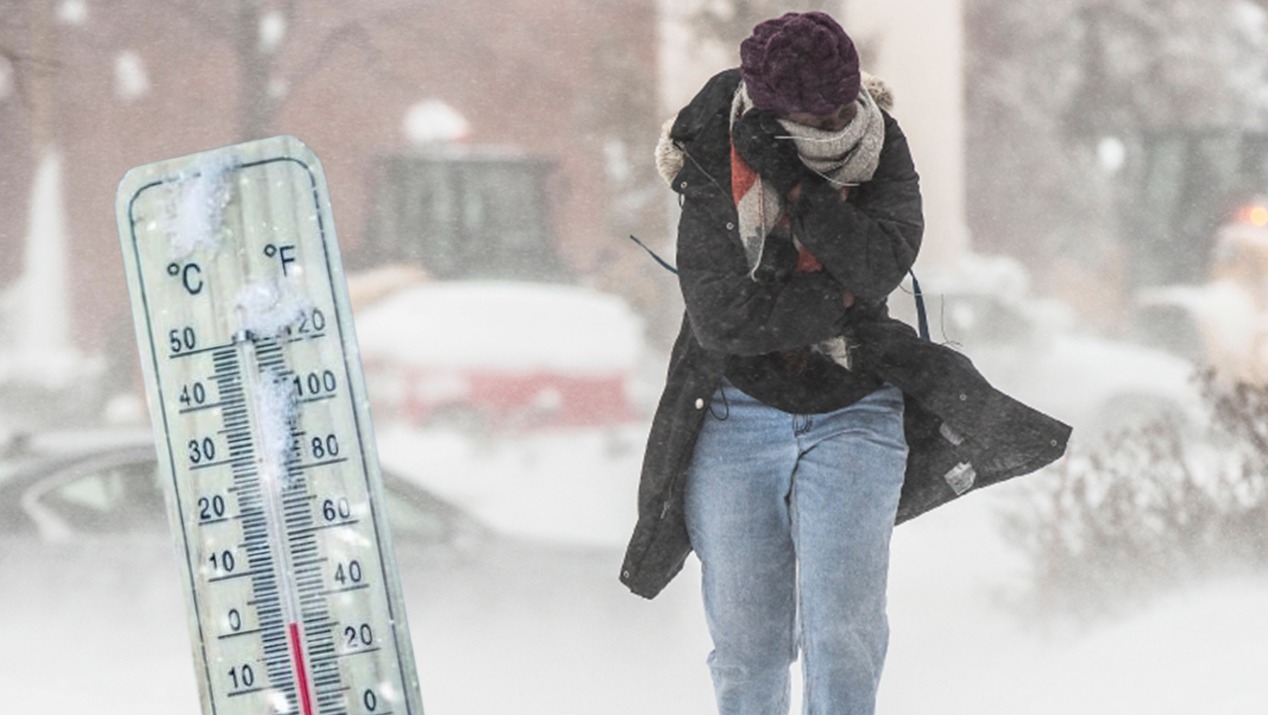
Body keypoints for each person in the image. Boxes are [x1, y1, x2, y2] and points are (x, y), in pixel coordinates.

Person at [620, 11, 1071, 715]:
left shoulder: (881, 145)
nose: (833, 125)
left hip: (856, 413)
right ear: (769, 110)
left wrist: (800, 193)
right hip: (734, 415)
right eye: (813, 113)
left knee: (843, 637)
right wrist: (842, 298)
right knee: (748, 649)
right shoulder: (712, 148)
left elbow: (881, 260)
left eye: (840, 105)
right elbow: (723, 318)